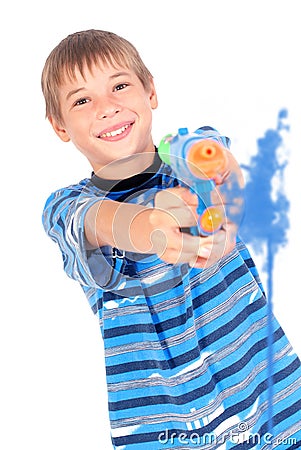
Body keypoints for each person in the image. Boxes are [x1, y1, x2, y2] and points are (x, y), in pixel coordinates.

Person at [41, 29, 301, 449]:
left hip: (274, 403)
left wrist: (226, 197)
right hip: (165, 429)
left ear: (151, 93)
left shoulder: (184, 151)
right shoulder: (68, 207)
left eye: (120, 86)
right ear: (59, 125)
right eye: (82, 100)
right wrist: (152, 226)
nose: (107, 108)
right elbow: (101, 221)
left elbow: (216, 158)